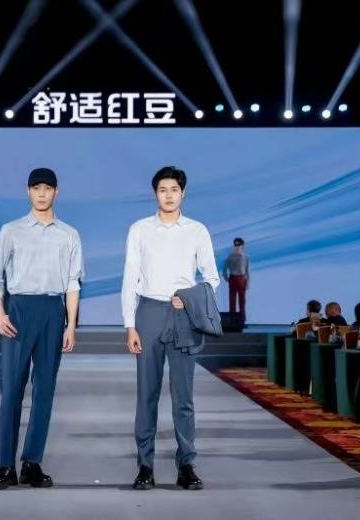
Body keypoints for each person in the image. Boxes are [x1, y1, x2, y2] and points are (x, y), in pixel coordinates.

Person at [122, 166, 220, 491]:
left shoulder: (197, 231)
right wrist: (129, 325)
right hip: (149, 312)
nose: (168, 195)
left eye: (174, 189)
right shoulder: (139, 229)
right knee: (146, 395)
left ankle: (186, 465)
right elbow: (130, 278)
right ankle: (145, 466)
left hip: (183, 315)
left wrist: (190, 299)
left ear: (183, 193)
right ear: (155, 193)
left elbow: (212, 277)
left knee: (183, 397)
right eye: (163, 189)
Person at [0, 167, 83, 490]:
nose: (42, 193)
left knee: (44, 389)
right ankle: (5, 465)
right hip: (18, 311)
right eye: (36, 188)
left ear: (57, 192)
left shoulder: (69, 234)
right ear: (28, 192)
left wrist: (71, 325)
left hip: (53, 311)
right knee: (11, 388)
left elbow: (73, 283)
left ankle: (32, 463)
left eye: (47, 188)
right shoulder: (11, 231)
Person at [222, 237, 249, 321]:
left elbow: (247, 270)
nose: (237, 247)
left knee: (242, 300)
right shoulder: (230, 257)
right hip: (233, 278)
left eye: (238, 245)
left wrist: (248, 282)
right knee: (232, 300)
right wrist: (227, 278)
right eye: (235, 245)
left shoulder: (245, 257)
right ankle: (232, 319)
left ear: (242, 246)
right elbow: (224, 269)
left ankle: (242, 319)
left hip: (242, 279)